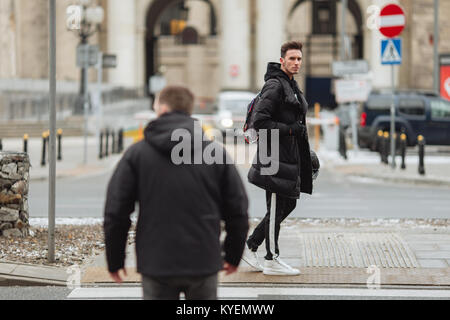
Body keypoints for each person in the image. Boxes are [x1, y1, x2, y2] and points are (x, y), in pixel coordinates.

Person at [104, 86, 249, 300]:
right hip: (203, 260)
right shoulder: (215, 153)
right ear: (190, 111)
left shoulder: (137, 154)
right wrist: (233, 255)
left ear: (162, 107)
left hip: (157, 262)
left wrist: (115, 259)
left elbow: (116, 212)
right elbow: (237, 210)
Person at [244, 41, 313, 276]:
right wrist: (291, 130)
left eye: (299, 59)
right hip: (275, 157)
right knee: (275, 206)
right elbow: (260, 122)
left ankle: (252, 243)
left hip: (288, 156)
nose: (296, 63)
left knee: (288, 203)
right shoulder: (275, 85)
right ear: (282, 60)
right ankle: (271, 259)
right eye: (292, 58)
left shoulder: (290, 85)